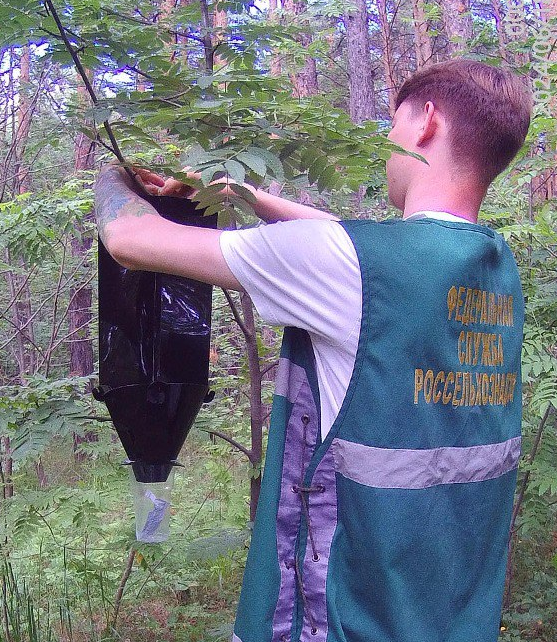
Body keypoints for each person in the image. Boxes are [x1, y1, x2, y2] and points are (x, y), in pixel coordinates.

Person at [94, 59, 532, 642]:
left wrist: (114, 179)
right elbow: (353, 243)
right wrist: (239, 192)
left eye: (394, 122)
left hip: (344, 620)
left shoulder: (351, 266)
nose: (388, 142)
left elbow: (129, 240)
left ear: (426, 122)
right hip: (450, 620)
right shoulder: (494, 269)